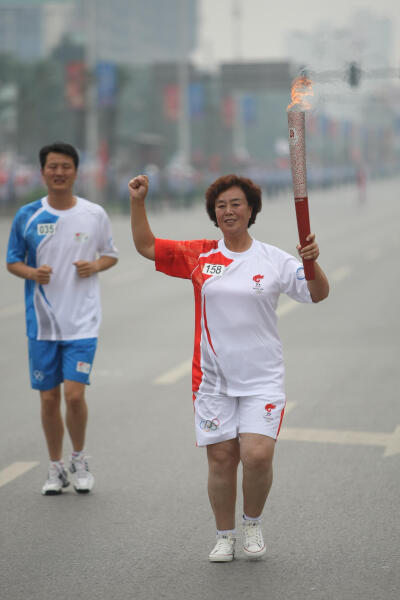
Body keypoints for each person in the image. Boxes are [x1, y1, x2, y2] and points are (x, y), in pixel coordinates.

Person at [128, 173, 329, 562]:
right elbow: (147, 246)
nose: (228, 211)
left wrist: (312, 263)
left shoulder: (273, 259)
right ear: (213, 215)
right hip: (213, 380)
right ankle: (225, 535)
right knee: (221, 458)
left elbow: (318, 294)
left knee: (256, 455)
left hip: (262, 378)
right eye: (221, 206)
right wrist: (138, 201)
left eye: (236, 203)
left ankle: (252, 522)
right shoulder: (200, 255)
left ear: (251, 209)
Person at [6, 142, 118, 495]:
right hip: (42, 323)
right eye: (52, 166)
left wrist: (94, 265)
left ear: (75, 171)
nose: (59, 172)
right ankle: (55, 467)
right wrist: (31, 273)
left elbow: (110, 255)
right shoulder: (27, 216)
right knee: (49, 399)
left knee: (73, 396)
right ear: (43, 172)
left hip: (82, 321)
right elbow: (12, 260)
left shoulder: (94, 214)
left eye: (65, 166)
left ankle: (79, 458)